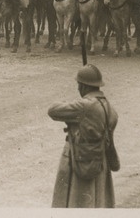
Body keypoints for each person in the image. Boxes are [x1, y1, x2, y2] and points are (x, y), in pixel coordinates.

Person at [47, 64, 118, 208]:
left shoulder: (84, 106)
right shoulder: (109, 108)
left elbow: (53, 110)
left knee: (78, 202)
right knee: (97, 201)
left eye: (79, 85)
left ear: (84, 87)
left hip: (81, 159)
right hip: (100, 160)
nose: (78, 88)